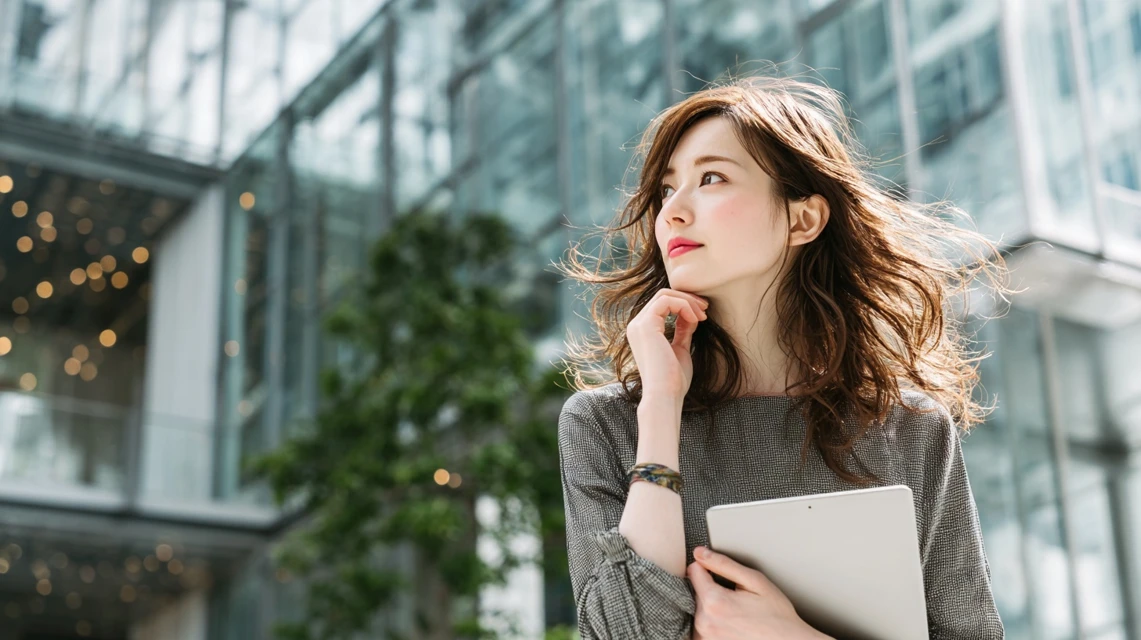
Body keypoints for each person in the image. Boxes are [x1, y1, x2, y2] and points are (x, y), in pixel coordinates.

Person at [556, 74, 1010, 639]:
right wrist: (660, 408)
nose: (671, 211)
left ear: (803, 219)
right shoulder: (603, 425)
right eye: (667, 189)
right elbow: (627, 635)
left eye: (712, 178)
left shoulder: (909, 429)